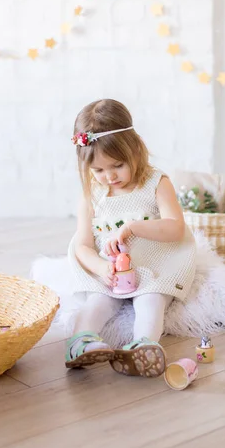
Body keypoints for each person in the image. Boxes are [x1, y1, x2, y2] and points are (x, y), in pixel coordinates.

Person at [66, 99, 196, 378]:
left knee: (151, 299)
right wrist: (101, 269)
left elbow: (175, 227)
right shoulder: (92, 194)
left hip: (152, 262)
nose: (109, 176)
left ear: (135, 149)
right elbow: (83, 245)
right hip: (110, 270)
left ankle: (143, 347)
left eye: (117, 165)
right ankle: (81, 342)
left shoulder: (156, 183)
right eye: (98, 170)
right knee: (98, 301)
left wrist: (135, 227)